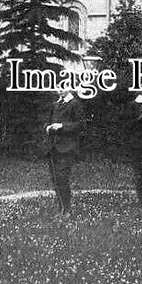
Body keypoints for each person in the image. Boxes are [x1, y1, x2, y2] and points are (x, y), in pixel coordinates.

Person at [45, 88, 86, 216]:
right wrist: (47, 127)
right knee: (56, 179)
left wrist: (62, 126)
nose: (60, 90)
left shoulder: (75, 104)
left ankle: (67, 209)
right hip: (53, 147)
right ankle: (61, 208)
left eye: (63, 86)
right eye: (57, 86)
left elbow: (81, 125)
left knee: (62, 177)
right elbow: (48, 121)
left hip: (68, 147)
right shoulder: (55, 104)